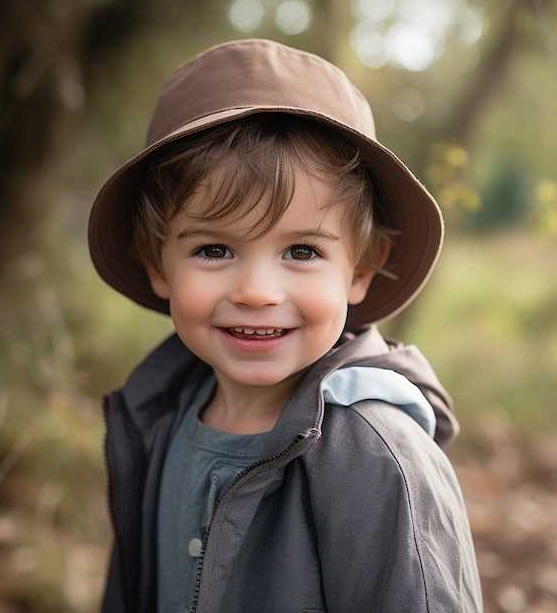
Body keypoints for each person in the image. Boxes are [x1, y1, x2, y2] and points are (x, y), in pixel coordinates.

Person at [88, 39, 483, 612]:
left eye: (301, 251)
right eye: (214, 249)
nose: (255, 292)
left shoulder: (376, 459)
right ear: (157, 265)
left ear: (360, 271)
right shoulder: (159, 413)